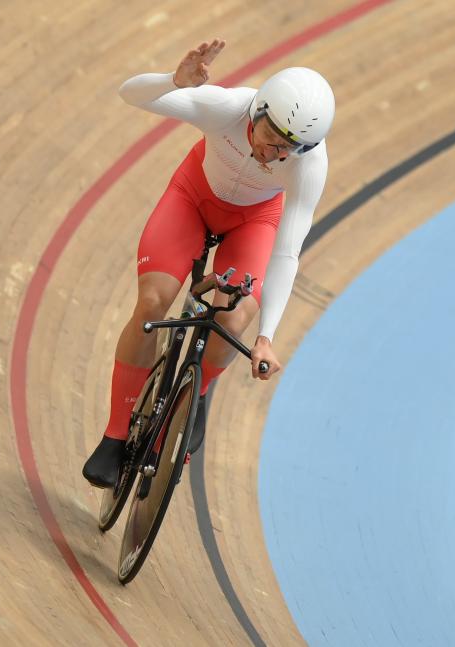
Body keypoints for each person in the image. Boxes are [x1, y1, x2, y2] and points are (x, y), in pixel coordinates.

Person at [83, 39, 334, 488]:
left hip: (252, 222)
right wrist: (171, 82)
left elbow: (287, 251)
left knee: (233, 319)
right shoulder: (227, 108)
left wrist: (266, 338)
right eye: (271, 141)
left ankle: (191, 396)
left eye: (286, 152)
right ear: (256, 114)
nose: (273, 156)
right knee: (153, 303)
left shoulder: (309, 163)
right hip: (192, 198)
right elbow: (130, 94)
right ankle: (115, 435)